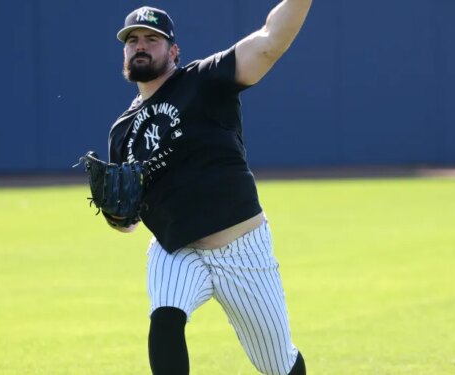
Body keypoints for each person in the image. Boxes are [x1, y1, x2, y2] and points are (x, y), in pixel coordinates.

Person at [105, 2, 312, 374]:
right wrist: (119, 218)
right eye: (132, 39)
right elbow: (128, 217)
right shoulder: (122, 131)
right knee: (166, 317)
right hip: (176, 250)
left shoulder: (204, 80)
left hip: (243, 251)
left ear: (173, 51)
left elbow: (270, 41)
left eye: (152, 39)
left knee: (277, 364)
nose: (140, 45)